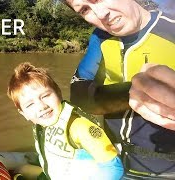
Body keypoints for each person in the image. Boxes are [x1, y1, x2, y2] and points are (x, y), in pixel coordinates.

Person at [61, 0, 175, 178]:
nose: (100, 14)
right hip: (112, 163)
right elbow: (79, 95)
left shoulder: (171, 29)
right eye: (84, 9)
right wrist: (130, 93)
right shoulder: (100, 38)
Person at [7, 62, 124, 179]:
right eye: (30, 104)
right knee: (20, 170)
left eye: (45, 96)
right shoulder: (41, 125)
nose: (41, 106)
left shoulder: (78, 127)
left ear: (58, 93)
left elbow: (114, 167)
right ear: (23, 113)